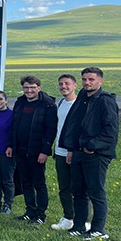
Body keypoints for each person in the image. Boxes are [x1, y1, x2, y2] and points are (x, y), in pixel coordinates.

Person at [59, 67, 119, 240]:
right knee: (78, 191)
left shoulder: (105, 101)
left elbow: (110, 131)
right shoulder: (83, 98)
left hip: (96, 154)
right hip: (78, 152)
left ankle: (98, 229)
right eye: (84, 79)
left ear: (100, 81)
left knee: (96, 191)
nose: (87, 83)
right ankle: (79, 226)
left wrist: (92, 146)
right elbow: (73, 124)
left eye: (91, 79)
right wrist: (71, 148)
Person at [7, 76, 58, 225]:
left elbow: (51, 130)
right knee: (25, 183)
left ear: (39, 88)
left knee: (39, 184)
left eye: (32, 87)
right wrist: (11, 145)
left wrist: (45, 150)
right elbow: (14, 126)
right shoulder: (20, 102)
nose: (29, 90)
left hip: (37, 152)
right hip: (20, 150)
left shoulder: (48, 104)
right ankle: (30, 212)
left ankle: (40, 215)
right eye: (26, 87)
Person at [51, 74, 88, 231]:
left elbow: (80, 130)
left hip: (74, 152)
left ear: (75, 86)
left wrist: (72, 150)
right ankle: (68, 218)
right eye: (61, 84)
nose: (63, 86)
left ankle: (84, 220)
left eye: (67, 83)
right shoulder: (61, 103)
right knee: (64, 187)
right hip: (59, 152)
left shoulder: (79, 105)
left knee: (79, 188)